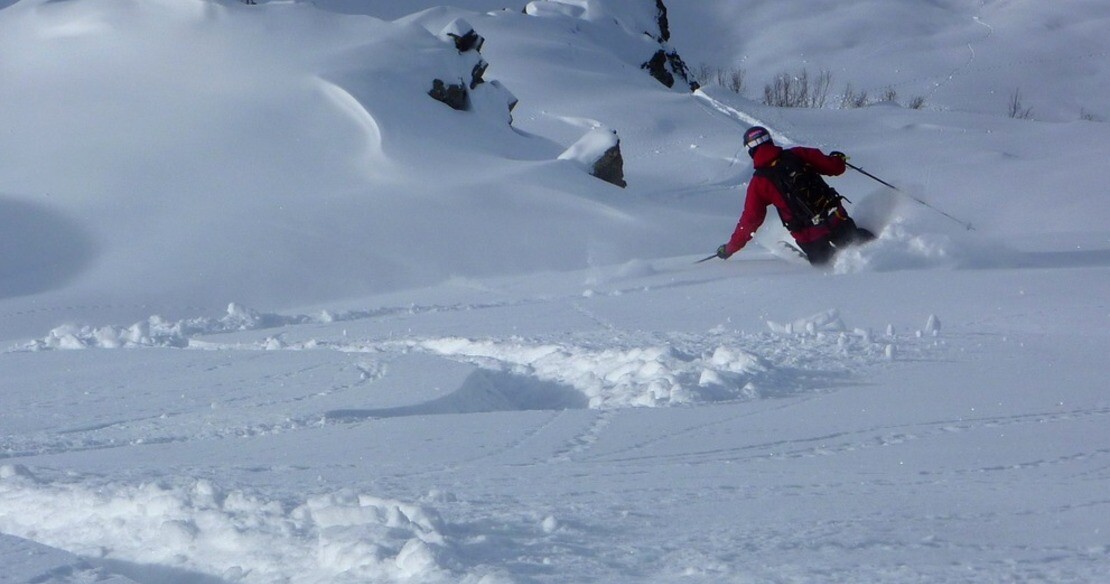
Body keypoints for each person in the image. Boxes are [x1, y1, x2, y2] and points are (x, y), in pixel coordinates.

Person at [716, 126, 875, 266]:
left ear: (750, 150)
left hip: (808, 235)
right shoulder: (798, 154)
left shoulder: (759, 183)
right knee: (863, 247)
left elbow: (750, 220)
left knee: (828, 268)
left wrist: (730, 248)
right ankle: (886, 253)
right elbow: (835, 168)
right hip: (835, 217)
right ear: (770, 141)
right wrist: (838, 159)